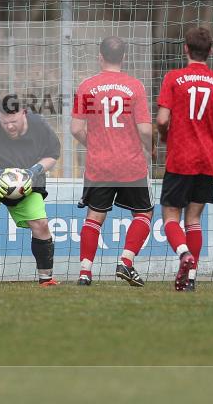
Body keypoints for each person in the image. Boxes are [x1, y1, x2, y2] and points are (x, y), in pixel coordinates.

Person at [156, 27, 213, 291]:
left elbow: (162, 119)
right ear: (211, 52)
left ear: (185, 49)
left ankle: (184, 254)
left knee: (171, 216)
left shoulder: (173, 78)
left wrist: (164, 135)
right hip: (207, 160)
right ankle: (191, 279)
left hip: (180, 158)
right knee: (193, 219)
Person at [72, 37, 154, 287]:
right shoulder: (135, 87)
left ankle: (85, 272)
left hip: (100, 165)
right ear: (124, 57)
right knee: (144, 212)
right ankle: (126, 261)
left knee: (94, 216)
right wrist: (151, 150)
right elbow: (145, 129)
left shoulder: (86, 86)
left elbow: (76, 129)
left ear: (100, 55)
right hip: (131, 163)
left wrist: (95, 145)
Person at [0, 94, 61, 286]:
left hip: (26, 182)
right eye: (4, 121)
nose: (9, 126)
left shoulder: (39, 126)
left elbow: (52, 155)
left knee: (41, 225)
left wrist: (35, 171)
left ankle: (46, 278)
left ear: (24, 113)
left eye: (13, 121)